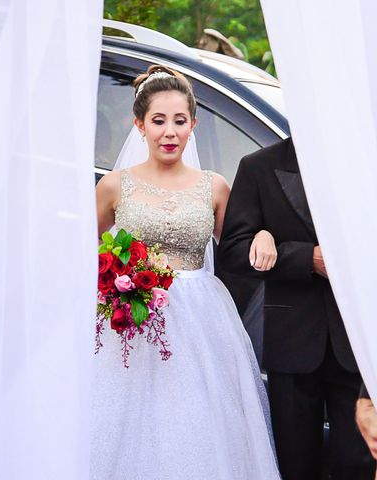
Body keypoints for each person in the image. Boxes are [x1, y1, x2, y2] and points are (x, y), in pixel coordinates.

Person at [91, 65, 280, 479]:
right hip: (134, 323)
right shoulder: (113, 186)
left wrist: (264, 233)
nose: (169, 132)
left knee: (198, 424)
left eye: (179, 121)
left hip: (203, 322)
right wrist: (114, 280)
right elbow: (83, 253)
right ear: (139, 125)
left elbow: (236, 247)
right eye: (158, 121)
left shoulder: (214, 186)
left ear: (193, 124)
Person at [218, 138, 376, 479]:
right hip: (291, 345)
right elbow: (232, 251)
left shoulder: (362, 162)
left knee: (357, 464)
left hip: (354, 344)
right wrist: (305, 259)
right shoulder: (257, 166)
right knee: (296, 466)